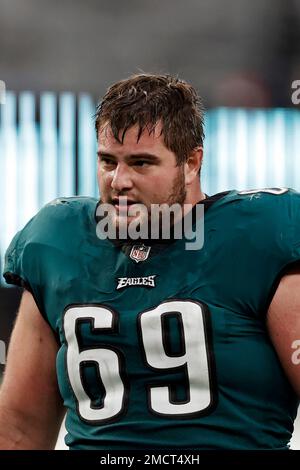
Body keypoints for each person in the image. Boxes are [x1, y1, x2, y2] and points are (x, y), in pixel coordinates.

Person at [0, 73, 299, 450]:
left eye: (141, 163)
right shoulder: (58, 240)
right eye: (108, 161)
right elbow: (20, 430)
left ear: (191, 163)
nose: (119, 180)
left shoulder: (261, 235)